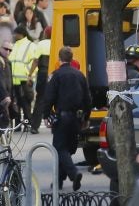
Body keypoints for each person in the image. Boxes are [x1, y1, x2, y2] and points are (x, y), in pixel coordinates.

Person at [42, 46, 92, 191]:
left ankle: (73, 173)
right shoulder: (79, 75)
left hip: (62, 118)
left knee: (60, 149)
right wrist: (86, 117)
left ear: (59, 59)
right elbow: (87, 98)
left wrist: (46, 115)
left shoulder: (56, 75)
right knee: (67, 149)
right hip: (76, 118)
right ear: (72, 59)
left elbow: (49, 97)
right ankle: (58, 182)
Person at [8, 26, 37, 125]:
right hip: (14, 79)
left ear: (21, 34)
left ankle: (28, 122)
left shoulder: (30, 45)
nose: (14, 35)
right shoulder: (15, 45)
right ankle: (17, 124)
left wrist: (29, 75)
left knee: (25, 102)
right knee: (16, 103)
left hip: (24, 79)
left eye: (15, 33)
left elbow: (35, 61)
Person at [28, 26, 52, 134]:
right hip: (54, 74)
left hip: (42, 73)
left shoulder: (41, 44)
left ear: (45, 34)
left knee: (40, 99)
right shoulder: (57, 42)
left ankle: (34, 126)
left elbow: (35, 61)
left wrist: (30, 74)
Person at [0, 41, 13, 127]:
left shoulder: (8, 62)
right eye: (6, 49)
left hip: (6, 94)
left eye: (10, 50)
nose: (8, 51)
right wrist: (5, 95)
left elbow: (9, 80)